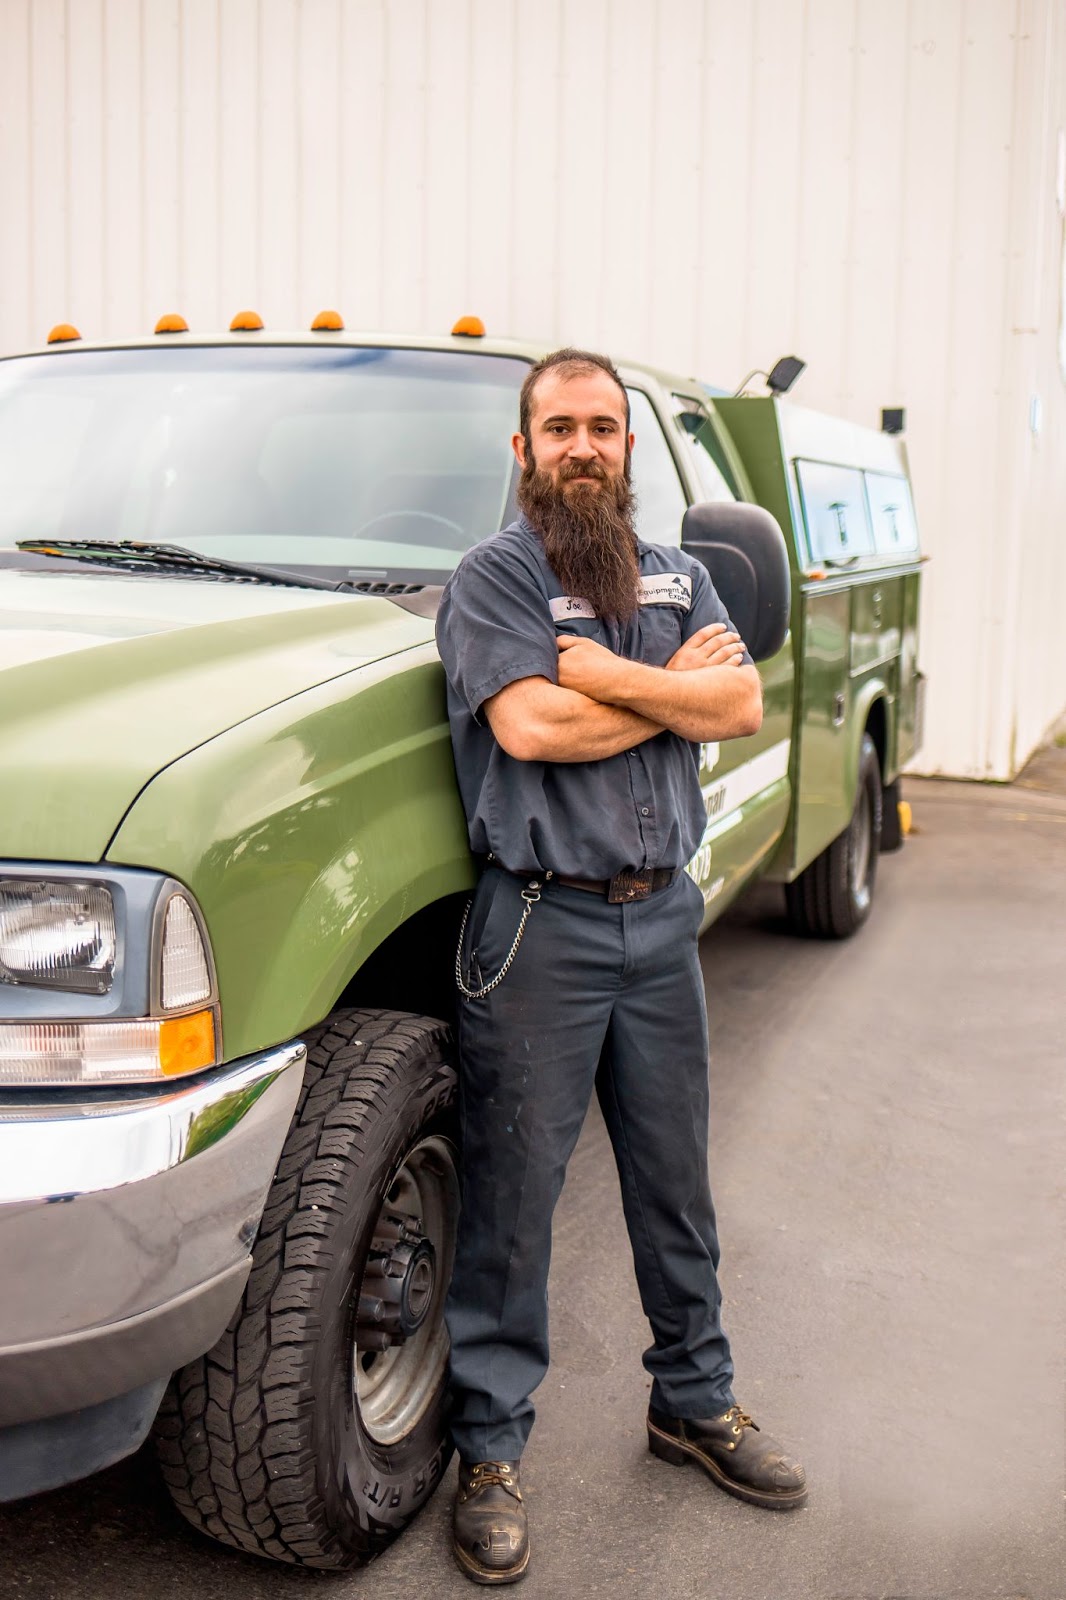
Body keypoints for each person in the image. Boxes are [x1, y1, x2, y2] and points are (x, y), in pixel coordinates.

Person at [435, 348, 806, 1585]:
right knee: (512, 1205)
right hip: (541, 924)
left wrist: (599, 671)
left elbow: (742, 706)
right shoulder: (490, 580)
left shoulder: (681, 572)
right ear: (524, 450)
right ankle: (488, 1452)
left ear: (628, 446)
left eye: (604, 426)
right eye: (560, 429)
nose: (584, 446)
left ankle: (692, 1404)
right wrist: (665, 691)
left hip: (661, 923)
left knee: (672, 1179)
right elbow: (529, 725)